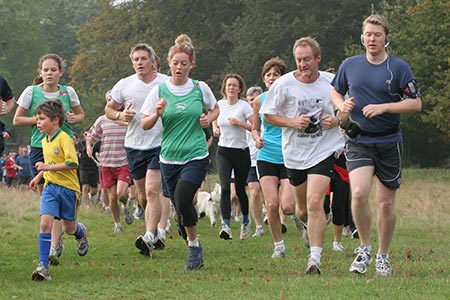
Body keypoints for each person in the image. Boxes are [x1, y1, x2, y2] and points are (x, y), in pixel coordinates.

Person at [330, 14, 422, 276]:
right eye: (368, 34)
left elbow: (415, 103)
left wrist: (384, 108)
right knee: (358, 193)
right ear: (362, 37)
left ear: (386, 38)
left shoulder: (399, 67)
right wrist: (341, 105)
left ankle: (383, 255)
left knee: (385, 203)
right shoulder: (350, 65)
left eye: (377, 34)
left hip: (389, 141)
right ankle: (364, 248)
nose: (372, 38)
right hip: (359, 140)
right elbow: (335, 90)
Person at [260, 37, 344, 274]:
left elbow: (346, 108)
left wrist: (336, 120)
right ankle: (307, 226)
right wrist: (292, 122)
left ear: (318, 58)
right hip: (295, 153)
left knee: (316, 202)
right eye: (298, 60)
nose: (302, 64)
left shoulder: (331, 82)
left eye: (307, 59)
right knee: (301, 210)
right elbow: (268, 115)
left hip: (323, 149)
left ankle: (314, 259)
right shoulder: (284, 84)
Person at [141, 33, 219, 270]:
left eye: (184, 63)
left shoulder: (199, 88)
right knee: (179, 207)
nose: (179, 67)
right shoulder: (159, 91)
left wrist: (208, 118)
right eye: (175, 63)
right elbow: (145, 123)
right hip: (169, 157)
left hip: (195, 154)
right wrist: (157, 112)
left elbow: (215, 110)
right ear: (169, 64)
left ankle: (194, 248)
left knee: (184, 198)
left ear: (191, 65)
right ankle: (185, 227)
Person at [14, 53, 85, 265]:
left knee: (62, 193)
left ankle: (63, 234)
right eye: (45, 70)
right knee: (47, 195)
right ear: (40, 72)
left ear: (60, 72)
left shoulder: (67, 92)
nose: (49, 73)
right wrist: (40, 120)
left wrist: (73, 118)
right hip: (39, 147)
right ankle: (53, 243)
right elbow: (17, 119)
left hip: (63, 147)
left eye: (53, 70)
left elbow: (80, 115)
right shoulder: (31, 91)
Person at [105, 43, 169, 255]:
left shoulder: (165, 82)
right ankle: (152, 229)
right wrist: (119, 116)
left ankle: (151, 235)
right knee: (142, 195)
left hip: (160, 142)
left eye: (143, 59)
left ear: (153, 62)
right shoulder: (124, 84)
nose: (139, 63)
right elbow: (108, 109)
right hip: (134, 144)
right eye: (136, 59)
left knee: (153, 190)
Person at [29, 99, 89, 281]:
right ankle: (43, 267)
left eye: (41, 118)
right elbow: (50, 164)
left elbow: (72, 163)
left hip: (69, 190)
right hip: (50, 188)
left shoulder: (64, 138)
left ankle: (81, 233)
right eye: (36, 119)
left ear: (55, 120)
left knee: (68, 228)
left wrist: (47, 168)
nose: (37, 122)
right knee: (45, 223)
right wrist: (39, 176)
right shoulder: (44, 140)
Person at [252, 57, 298, 258]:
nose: (272, 78)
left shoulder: (290, 98)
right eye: (268, 75)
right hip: (267, 155)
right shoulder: (258, 100)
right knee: (271, 204)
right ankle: (278, 246)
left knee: (287, 207)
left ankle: (300, 218)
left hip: (289, 155)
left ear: (282, 78)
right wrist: (257, 139)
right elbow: (255, 128)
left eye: (276, 74)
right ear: (263, 78)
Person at [213, 74, 253, 240]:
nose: (231, 88)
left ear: (239, 89)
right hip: (223, 151)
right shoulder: (219, 104)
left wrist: (240, 123)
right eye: (229, 85)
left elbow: (254, 127)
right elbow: (213, 118)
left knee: (240, 191)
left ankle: (245, 221)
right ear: (225, 88)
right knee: (225, 188)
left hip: (241, 152)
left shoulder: (244, 107)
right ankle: (226, 226)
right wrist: (215, 127)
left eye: (234, 85)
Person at [86, 91, 133, 232]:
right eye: (110, 100)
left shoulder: (127, 118)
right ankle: (117, 224)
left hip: (123, 162)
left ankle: (126, 205)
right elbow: (91, 135)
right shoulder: (102, 120)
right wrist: (89, 146)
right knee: (112, 198)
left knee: (122, 193)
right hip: (106, 163)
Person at [245, 86, 265, 237]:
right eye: (251, 100)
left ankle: (278, 219)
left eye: (257, 99)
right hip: (250, 160)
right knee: (254, 191)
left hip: (266, 157)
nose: (254, 102)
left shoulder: (267, 115)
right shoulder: (242, 114)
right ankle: (258, 226)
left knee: (270, 194)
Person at [76, 128, 99, 208]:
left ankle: (90, 195)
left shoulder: (96, 144)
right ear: (83, 135)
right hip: (83, 167)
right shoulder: (80, 144)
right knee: (85, 186)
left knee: (94, 190)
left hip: (94, 167)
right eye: (85, 134)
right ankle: (86, 205)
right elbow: (77, 153)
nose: (87, 136)